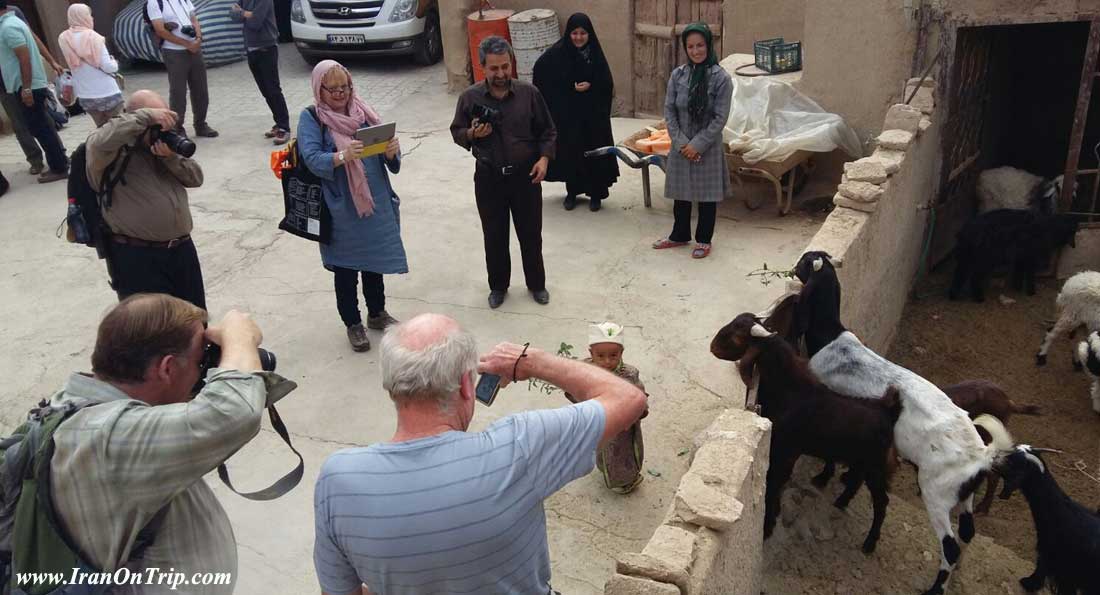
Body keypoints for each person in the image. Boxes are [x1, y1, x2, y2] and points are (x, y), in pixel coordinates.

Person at [313, 313, 648, 595]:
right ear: (465, 386)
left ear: (391, 387)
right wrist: (534, 362)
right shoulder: (520, 447)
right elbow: (629, 399)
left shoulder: (337, 479)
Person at [44, 294, 293, 593]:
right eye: (201, 359)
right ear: (166, 368)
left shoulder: (84, 404)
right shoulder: (110, 440)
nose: (205, 369)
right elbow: (233, 412)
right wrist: (240, 338)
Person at [299, 60, 406, 353]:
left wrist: (391, 152)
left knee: (374, 259)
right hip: (341, 206)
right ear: (319, 89)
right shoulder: (312, 118)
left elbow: (388, 158)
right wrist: (342, 156)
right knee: (345, 267)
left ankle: (377, 313)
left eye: (344, 87)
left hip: (374, 200)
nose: (339, 94)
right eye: (332, 89)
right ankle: (353, 323)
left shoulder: (363, 113)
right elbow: (310, 157)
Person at [451, 36, 557, 309]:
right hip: (489, 177)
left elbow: (548, 130)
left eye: (505, 67)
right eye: (494, 68)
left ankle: (537, 285)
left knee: (531, 234)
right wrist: (473, 134)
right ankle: (498, 286)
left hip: (526, 177)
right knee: (495, 235)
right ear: (482, 67)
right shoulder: (469, 97)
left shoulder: (529, 94)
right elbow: (457, 131)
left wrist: (544, 159)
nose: (500, 74)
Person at [85, 89, 207, 309]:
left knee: (196, 321)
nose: (164, 131)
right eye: (158, 124)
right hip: (138, 257)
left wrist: (170, 158)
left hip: (181, 251)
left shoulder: (159, 148)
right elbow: (98, 141)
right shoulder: (109, 151)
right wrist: (147, 117)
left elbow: (195, 177)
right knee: (155, 332)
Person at [651, 22, 732, 260]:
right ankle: (679, 235)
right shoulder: (678, 76)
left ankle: (704, 239)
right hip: (680, 144)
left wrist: (696, 145)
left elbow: (720, 117)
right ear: (685, 49)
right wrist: (681, 143)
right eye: (691, 46)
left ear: (708, 45)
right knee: (682, 193)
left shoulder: (721, 78)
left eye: (700, 45)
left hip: (706, 147)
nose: (696, 51)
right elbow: (670, 112)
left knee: (707, 197)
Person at [533, 13, 618, 212]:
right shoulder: (559, 53)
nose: (578, 37)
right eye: (574, 33)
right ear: (568, 34)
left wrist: (592, 85)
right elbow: (541, 72)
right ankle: (572, 193)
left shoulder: (595, 54)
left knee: (594, 152)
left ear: (589, 34)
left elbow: (607, 84)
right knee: (571, 152)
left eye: (583, 33)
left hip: (593, 116)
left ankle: (595, 195)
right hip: (569, 116)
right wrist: (570, 88)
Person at [565, 322, 647, 494]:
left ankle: (625, 480)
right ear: (591, 353)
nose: (607, 361)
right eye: (600, 356)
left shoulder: (629, 375)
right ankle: (605, 470)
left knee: (622, 454)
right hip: (597, 422)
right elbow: (575, 392)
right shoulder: (584, 370)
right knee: (602, 450)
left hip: (621, 428)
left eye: (613, 355)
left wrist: (636, 411)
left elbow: (639, 399)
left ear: (621, 353)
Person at [0, 0, 68, 183]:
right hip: (15, 84)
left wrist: (27, 88)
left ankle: (59, 164)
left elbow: (25, 57)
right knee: (32, 126)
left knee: (40, 126)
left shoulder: (9, 26)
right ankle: (52, 162)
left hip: (24, 84)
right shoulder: (12, 21)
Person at [148, 0, 219, 138]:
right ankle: (177, 128)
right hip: (173, 52)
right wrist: (186, 44)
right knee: (178, 92)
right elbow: (160, 30)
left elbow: (193, 19)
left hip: (194, 49)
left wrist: (198, 38)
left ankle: (201, 124)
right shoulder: (155, 3)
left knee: (201, 89)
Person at [230, 0, 290, 145]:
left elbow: (255, 23)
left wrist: (242, 13)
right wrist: (246, 14)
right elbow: (232, 14)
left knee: (273, 89)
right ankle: (278, 122)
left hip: (266, 48)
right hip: (251, 49)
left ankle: (284, 127)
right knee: (265, 91)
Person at [58, 3, 123, 127]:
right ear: (83, 17)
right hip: (107, 92)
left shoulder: (63, 38)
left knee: (102, 131)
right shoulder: (94, 37)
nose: (91, 18)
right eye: (89, 15)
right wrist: (114, 62)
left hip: (85, 95)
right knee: (119, 129)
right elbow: (108, 67)